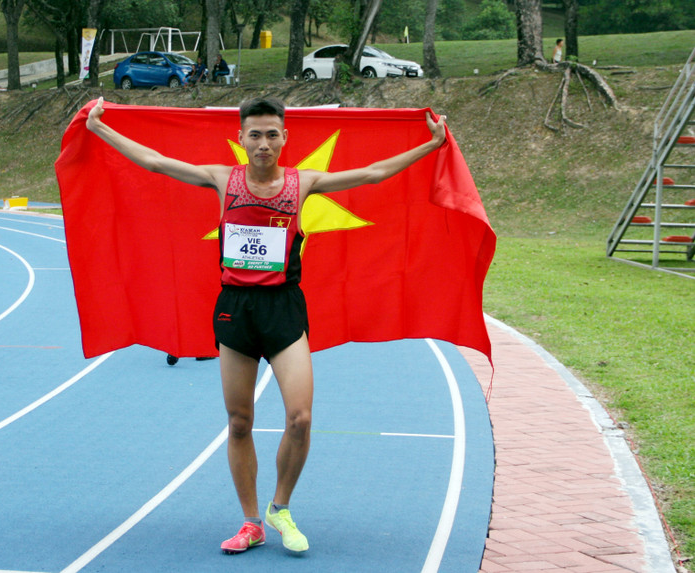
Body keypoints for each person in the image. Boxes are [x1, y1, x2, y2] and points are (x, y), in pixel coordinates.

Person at [85, 96, 447, 555]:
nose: (263, 143)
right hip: (235, 310)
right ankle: (251, 522)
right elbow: (156, 162)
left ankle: (281, 507)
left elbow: (373, 173)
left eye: (271, 134)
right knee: (239, 422)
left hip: (283, 309)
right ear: (241, 138)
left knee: (301, 417)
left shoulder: (303, 182)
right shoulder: (223, 179)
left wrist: (431, 145)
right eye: (254, 134)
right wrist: (99, 128)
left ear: (284, 138)